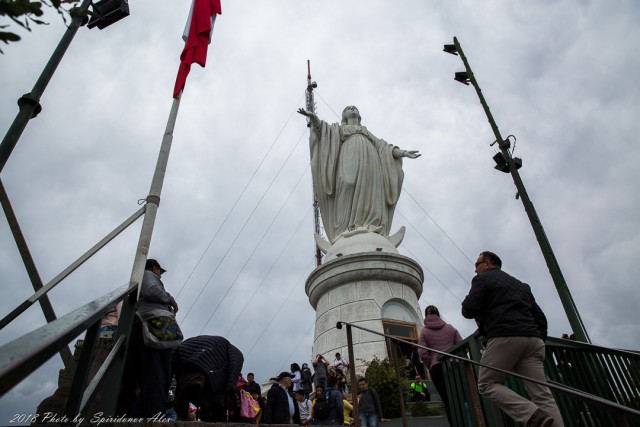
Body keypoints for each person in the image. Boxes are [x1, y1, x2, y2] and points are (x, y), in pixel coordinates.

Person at [461, 251, 564, 427]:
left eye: (477, 265)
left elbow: (469, 309)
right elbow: (539, 316)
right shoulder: (521, 285)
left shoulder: (483, 279)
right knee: (542, 393)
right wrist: (539, 339)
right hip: (533, 340)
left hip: (505, 336)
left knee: (487, 384)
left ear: (487, 264)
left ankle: (533, 415)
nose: (475, 270)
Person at [297, 106, 420, 244]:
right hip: (349, 155)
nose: (352, 108)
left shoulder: (366, 132)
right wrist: (313, 118)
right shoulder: (338, 129)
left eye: (354, 108)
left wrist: (403, 153)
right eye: (348, 108)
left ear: (359, 115)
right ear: (344, 116)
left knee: (371, 189)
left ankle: (371, 224)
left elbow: (384, 148)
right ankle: (344, 228)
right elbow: (322, 131)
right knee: (347, 183)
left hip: (371, 160)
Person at [132, 258, 179, 418]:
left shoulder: (147, 277)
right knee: (157, 373)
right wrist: (170, 298)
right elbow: (151, 291)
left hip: (157, 325)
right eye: (160, 271)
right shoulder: (148, 275)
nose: (161, 275)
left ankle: (146, 413)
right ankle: (155, 414)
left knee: (159, 373)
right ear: (154, 268)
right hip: (154, 325)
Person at [171, 335, 244, 422]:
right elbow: (234, 368)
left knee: (181, 399)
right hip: (204, 364)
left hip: (186, 355)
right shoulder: (237, 353)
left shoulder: (223, 350)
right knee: (215, 405)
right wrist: (231, 388)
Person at [417, 304, 462, 422]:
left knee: (447, 400)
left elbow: (422, 353)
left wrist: (430, 364)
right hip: (455, 365)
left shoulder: (424, 332)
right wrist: (456, 358)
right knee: (462, 396)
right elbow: (462, 346)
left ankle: (455, 423)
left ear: (426, 316)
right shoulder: (450, 328)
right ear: (438, 314)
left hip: (437, 367)